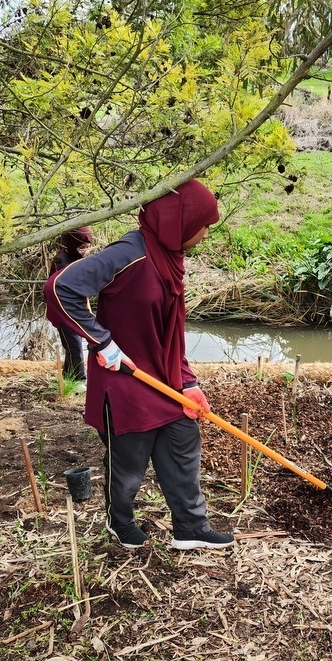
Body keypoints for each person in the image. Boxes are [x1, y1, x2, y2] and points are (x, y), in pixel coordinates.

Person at [43, 180, 235, 551]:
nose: (207, 234)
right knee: (129, 460)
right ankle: (120, 521)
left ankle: (191, 527)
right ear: (182, 219)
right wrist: (103, 341)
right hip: (125, 377)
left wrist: (187, 381)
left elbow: (170, 330)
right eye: (205, 224)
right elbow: (61, 288)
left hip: (163, 377)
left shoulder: (169, 256)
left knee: (183, 440)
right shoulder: (129, 252)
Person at [48, 227, 94, 391]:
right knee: (74, 344)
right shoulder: (62, 261)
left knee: (71, 345)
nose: (85, 251)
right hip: (63, 311)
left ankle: (68, 378)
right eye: (81, 247)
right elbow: (65, 291)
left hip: (74, 310)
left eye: (87, 247)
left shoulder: (74, 257)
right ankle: (80, 382)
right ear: (72, 244)